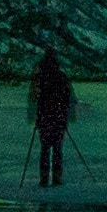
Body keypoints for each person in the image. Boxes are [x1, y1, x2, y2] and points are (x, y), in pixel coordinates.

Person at [28, 47, 77, 187]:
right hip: (58, 117)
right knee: (57, 148)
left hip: (44, 118)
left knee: (45, 148)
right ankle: (57, 177)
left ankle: (43, 178)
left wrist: (34, 116)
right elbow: (69, 97)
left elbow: (33, 97)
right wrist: (66, 114)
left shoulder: (39, 78)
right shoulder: (62, 77)